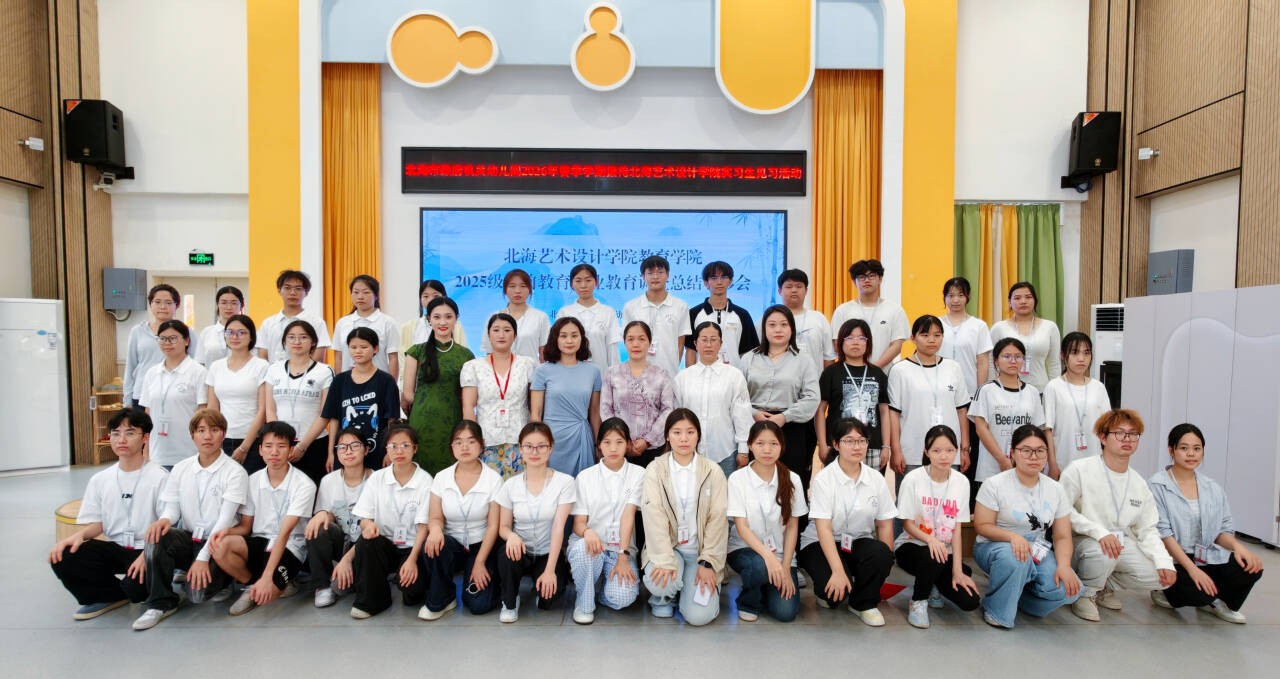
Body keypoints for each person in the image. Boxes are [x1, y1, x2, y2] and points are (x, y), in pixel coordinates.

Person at [131, 409, 249, 630]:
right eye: (201, 430)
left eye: (214, 430)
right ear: (192, 435)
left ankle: (222, 579)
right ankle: (161, 603)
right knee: (157, 533)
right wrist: (164, 520)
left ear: (223, 434)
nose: (207, 436)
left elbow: (225, 521)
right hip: (190, 538)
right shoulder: (180, 468)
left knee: (197, 595)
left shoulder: (235, 472)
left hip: (217, 544)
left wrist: (203, 558)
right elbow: (172, 508)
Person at [49, 410, 167, 620]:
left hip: (148, 549)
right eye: (115, 433)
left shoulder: (159, 477)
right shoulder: (101, 479)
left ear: (145, 438)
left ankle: (134, 588)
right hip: (115, 546)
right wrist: (78, 536)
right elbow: (100, 523)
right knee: (64, 556)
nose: (121, 440)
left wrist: (147, 555)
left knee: (136, 590)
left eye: (130, 433)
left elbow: (167, 527)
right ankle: (109, 596)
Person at [1060, 409, 1175, 622]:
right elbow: (1063, 510)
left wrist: (1164, 561)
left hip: (1118, 543)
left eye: (1133, 434)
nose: (1127, 439)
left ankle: (1103, 585)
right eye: (1119, 433)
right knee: (1104, 553)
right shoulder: (1079, 469)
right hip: (1082, 541)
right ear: (1103, 437)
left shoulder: (1139, 483)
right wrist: (1099, 532)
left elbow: (1148, 529)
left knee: (1159, 576)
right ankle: (1085, 593)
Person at [1148, 423, 1264, 623]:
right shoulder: (1157, 485)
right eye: (1184, 448)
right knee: (1197, 592)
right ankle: (1164, 591)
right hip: (1174, 560)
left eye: (1197, 448)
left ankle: (1216, 601)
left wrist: (1239, 547)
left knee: (1250, 566)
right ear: (1171, 450)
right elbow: (1164, 534)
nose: (1191, 454)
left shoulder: (1212, 487)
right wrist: (1192, 570)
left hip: (1205, 556)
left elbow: (1221, 530)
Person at [972, 424, 1081, 629]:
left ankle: (1015, 596)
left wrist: (1064, 566)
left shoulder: (1056, 489)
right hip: (996, 545)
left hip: (1037, 548)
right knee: (1016, 560)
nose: (1034, 457)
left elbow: (1062, 536)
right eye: (1026, 450)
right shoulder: (994, 484)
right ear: (1012, 453)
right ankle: (996, 610)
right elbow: (982, 526)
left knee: (1067, 589)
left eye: (1040, 451)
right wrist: (1013, 537)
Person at [209, 421, 316, 616]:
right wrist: (226, 532)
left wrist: (268, 577)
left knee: (271, 592)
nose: (274, 452)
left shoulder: (304, 484)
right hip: (260, 540)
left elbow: (284, 534)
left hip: (290, 546)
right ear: (260, 450)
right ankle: (251, 585)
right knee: (220, 545)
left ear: (291, 450)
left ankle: (275, 581)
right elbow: (245, 526)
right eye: (268, 446)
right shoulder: (252, 480)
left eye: (281, 446)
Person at [797, 418, 897, 626]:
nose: (856, 446)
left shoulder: (875, 478)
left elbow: (885, 524)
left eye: (861, 441)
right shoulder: (824, 479)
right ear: (836, 444)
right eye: (849, 441)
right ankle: (836, 584)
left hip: (857, 541)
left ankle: (863, 604)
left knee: (881, 554)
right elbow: (824, 529)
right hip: (820, 542)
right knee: (833, 597)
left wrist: (883, 567)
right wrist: (837, 571)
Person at [640, 409, 728, 625]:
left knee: (699, 617)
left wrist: (708, 562)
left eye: (690, 432)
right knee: (662, 583)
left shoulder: (713, 471)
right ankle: (664, 598)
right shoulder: (655, 469)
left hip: (700, 553)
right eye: (677, 432)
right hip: (670, 549)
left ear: (698, 435)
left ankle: (688, 591)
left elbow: (718, 519)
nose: (684, 438)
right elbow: (653, 517)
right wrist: (664, 560)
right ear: (667, 436)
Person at [893, 425, 980, 628]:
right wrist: (930, 539)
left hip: (944, 552)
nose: (943, 456)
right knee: (932, 555)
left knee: (970, 600)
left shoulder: (961, 482)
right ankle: (919, 601)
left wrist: (957, 571)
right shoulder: (913, 479)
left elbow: (957, 529)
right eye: (937, 450)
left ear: (956, 451)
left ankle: (933, 582)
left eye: (949, 450)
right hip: (912, 546)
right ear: (926, 452)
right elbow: (906, 523)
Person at [419, 420, 504, 619]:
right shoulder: (441, 477)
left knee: (479, 605)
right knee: (432, 544)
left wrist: (480, 562)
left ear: (481, 445)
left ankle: (491, 583)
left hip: (481, 546)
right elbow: (435, 517)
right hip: (453, 545)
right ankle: (442, 599)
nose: (464, 447)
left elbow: (493, 526)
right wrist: (436, 530)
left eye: (471, 441)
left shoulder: (493, 479)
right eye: (458, 442)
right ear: (452, 447)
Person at [347, 424, 433, 619]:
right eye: (393, 446)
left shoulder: (425, 481)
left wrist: (412, 560)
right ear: (386, 449)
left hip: (412, 547)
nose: (399, 451)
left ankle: (407, 580)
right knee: (366, 542)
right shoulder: (377, 478)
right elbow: (364, 517)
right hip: (384, 545)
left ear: (415, 448)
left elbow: (423, 528)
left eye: (405, 445)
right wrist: (368, 525)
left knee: (413, 592)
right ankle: (372, 601)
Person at [495, 422, 577, 623]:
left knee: (550, 599)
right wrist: (511, 536)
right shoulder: (510, 485)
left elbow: (558, 527)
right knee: (506, 553)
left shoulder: (564, 482)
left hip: (548, 553)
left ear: (551, 448)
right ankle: (510, 600)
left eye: (541, 446)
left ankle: (543, 583)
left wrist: (549, 571)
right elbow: (503, 527)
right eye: (529, 446)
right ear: (520, 449)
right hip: (520, 551)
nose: (535, 452)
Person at [727, 421, 807, 622]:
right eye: (760, 443)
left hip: (780, 553)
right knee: (759, 566)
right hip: (744, 549)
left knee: (785, 612)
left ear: (782, 446)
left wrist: (786, 567)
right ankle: (749, 601)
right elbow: (742, 528)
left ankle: (763, 585)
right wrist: (769, 559)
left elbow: (792, 527)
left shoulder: (792, 479)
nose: (767, 450)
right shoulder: (737, 479)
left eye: (773, 444)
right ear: (750, 445)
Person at [566, 418, 644, 624]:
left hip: (621, 550)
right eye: (607, 442)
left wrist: (623, 555)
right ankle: (584, 603)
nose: (613, 448)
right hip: (593, 547)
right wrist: (587, 532)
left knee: (623, 598)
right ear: (599, 445)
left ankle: (600, 590)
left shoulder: (639, 474)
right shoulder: (585, 477)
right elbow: (578, 523)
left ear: (628, 444)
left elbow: (629, 514)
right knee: (583, 549)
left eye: (619, 442)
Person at [742, 305, 819, 490]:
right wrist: (754, 413)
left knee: (792, 484)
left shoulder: (804, 359)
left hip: (791, 427)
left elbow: (812, 397)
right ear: (764, 329)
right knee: (756, 484)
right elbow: (738, 397)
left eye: (784, 324)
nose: (778, 329)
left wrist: (784, 417)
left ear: (792, 329)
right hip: (755, 426)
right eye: (772, 325)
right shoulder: (749, 358)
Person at [888, 315, 971, 481]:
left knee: (949, 496)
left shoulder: (953, 367)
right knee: (910, 496)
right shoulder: (900, 370)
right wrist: (896, 450)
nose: (932, 340)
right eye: (925, 335)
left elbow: (962, 410)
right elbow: (894, 414)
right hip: (912, 452)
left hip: (949, 452)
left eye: (937, 335)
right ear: (913, 338)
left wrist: (964, 449)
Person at [402, 297, 475, 474]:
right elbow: (408, 393)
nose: (443, 322)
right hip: (422, 421)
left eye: (448, 317)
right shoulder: (416, 351)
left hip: (453, 421)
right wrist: (425, 407)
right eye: (437, 317)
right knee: (420, 471)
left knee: (451, 471)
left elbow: (469, 396)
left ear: (456, 319)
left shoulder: (466, 355)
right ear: (429, 319)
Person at [461, 313, 537, 478]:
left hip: (520, 441)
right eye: (496, 330)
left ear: (515, 335)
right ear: (488, 335)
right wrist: (472, 440)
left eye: (507, 330)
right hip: (486, 441)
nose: (501, 335)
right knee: (490, 489)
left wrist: (534, 439)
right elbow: (468, 406)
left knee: (519, 489)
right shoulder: (473, 367)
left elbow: (535, 405)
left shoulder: (527, 364)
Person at [673, 322, 753, 478]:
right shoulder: (682, 378)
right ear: (695, 343)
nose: (708, 344)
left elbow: (742, 414)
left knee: (725, 493)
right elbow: (676, 417)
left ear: (721, 343)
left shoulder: (734, 376)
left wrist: (743, 450)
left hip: (725, 453)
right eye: (704, 340)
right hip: (688, 453)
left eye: (713, 340)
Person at [304, 427, 371, 609]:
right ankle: (322, 585)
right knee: (317, 527)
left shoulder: (376, 479)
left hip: (365, 545)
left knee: (343, 587)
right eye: (342, 447)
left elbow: (377, 526)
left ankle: (347, 574)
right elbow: (325, 514)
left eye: (354, 446)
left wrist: (348, 559)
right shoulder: (329, 481)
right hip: (341, 541)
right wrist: (323, 514)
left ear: (366, 450)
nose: (348, 451)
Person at [264, 319, 335, 485]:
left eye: (303, 337)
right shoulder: (274, 369)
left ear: (313, 342)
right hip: (281, 446)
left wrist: (302, 446)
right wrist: (280, 443)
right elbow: (270, 410)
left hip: (313, 444)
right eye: (291, 337)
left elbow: (324, 414)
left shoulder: (324, 371)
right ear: (284, 341)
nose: (297, 341)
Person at [321, 327, 401, 470]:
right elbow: (334, 419)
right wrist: (331, 452)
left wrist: (390, 451)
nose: (358, 351)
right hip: (346, 452)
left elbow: (392, 421)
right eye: (353, 347)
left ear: (375, 348)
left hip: (377, 451)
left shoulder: (386, 381)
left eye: (364, 347)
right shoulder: (339, 381)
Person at [531, 317, 602, 476]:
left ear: (582, 339)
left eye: (574, 335)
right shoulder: (542, 371)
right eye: (563, 336)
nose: (569, 341)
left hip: (581, 438)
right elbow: (536, 413)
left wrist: (598, 444)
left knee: (584, 486)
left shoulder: (594, 371)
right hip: (551, 439)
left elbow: (594, 413)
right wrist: (538, 444)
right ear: (555, 339)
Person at [817, 319, 889, 476]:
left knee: (871, 488)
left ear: (868, 343)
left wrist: (886, 446)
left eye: (861, 338)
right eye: (849, 338)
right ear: (841, 342)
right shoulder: (831, 372)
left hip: (872, 445)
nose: (855, 342)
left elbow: (884, 412)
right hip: (838, 444)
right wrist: (822, 444)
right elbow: (820, 410)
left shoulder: (877, 373)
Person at [599, 320, 675, 468]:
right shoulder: (612, 373)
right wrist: (622, 439)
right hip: (618, 448)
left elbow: (667, 409)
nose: (636, 344)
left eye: (641, 339)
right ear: (624, 343)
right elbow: (605, 408)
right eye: (630, 339)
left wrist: (647, 441)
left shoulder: (662, 374)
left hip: (653, 449)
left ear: (650, 343)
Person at [970, 337, 1044, 490]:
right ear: (996, 361)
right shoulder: (986, 390)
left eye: (1018, 356)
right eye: (1007, 356)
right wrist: (1002, 460)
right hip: (991, 467)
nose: (1013, 361)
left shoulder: (1032, 392)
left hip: (1024, 467)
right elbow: (981, 428)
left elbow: (1037, 431)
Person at [138, 320, 208, 469]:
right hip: (158, 452)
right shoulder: (152, 373)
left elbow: (203, 412)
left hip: (189, 451)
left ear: (187, 341)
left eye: (173, 338)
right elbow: (148, 414)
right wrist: (146, 449)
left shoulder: (198, 372)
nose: (167, 343)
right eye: (162, 339)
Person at [205, 314, 270, 473]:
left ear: (251, 336)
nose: (235, 337)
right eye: (230, 332)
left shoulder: (261, 366)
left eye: (241, 332)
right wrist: (214, 438)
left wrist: (244, 447)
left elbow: (262, 410)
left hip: (252, 440)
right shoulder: (216, 367)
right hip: (222, 439)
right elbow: (212, 409)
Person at [1042, 332, 1111, 478]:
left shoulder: (1098, 387)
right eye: (1074, 352)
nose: (1081, 358)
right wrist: (1052, 464)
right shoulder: (1053, 387)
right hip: (1063, 462)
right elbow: (1047, 430)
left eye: (1086, 353)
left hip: (1094, 462)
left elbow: (1107, 429)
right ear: (1062, 355)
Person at [830, 259, 910, 369]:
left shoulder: (895, 310)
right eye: (862, 277)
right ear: (854, 281)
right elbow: (837, 343)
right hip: (850, 372)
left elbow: (897, 344)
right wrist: (857, 367)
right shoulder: (843, 310)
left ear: (880, 279)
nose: (867, 280)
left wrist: (874, 369)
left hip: (883, 373)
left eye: (872, 276)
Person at [622, 255, 691, 378]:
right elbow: (628, 341)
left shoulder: (680, 306)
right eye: (650, 273)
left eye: (660, 272)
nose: (655, 277)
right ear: (643, 276)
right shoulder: (631, 307)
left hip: (669, 374)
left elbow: (680, 344)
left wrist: (673, 367)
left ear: (667, 275)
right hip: (639, 374)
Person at [123, 283, 192, 406]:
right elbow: (130, 367)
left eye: (168, 303)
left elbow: (194, 363)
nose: (163, 307)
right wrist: (127, 400)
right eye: (157, 302)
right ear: (151, 304)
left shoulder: (186, 332)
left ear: (177, 306)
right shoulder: (138, 331)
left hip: (176, 394)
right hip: (141, 394)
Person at [684, 260, 758, 370]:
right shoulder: (694, 313)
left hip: (734, 375)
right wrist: (690, 375)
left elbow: (748, 352)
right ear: (706, 283)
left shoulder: (742, 314)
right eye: (714, 278)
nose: (719, 282)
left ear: (730, 281)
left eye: (723, 277)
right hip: (702, 376)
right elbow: (691, 350)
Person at [988, 281, 1061, 392]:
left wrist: (1055, 391)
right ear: (1009, 302)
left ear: (1035, 301)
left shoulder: (1050, 327)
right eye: (1017, 298)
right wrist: (993, 388)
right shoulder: (999, 328)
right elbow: (990, 362)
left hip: (1040, 390)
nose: (1023, 301)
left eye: (1028, 297)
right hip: (1006, 390)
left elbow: (1054, 363)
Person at [557, 263, 621, 374]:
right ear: (571, 284)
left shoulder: (608, 312)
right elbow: (558, 347)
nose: (583, 285)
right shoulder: (564, 313)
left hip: (601, 373)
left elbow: (612, 349)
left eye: (588, 280)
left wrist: (615, 376)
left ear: (596, 282)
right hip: (571, 373)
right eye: (578, 281)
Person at [333, 274, 400, 380]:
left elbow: (393, 358)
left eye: (366, 292)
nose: (360, 296)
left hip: (378, 381)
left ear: (376, 295)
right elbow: (338, 357)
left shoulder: (387, 323)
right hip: (348, 381)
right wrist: (338, 383)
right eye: (356, 292)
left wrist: (391, 385)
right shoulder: (342, 323)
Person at [937, 277, 992, 402]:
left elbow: (983, 362)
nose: (955, 300)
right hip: (939, 389)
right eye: (951, 295)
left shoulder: (979, 326)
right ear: (944, 297)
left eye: (960, 295)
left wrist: (979, 393)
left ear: (968, 296)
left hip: (969, 391)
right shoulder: (935, 324)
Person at [258, 269, 331, 363]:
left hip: (306, 372)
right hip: (273, 372)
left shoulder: (316, 322)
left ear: (306, 292)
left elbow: (318, 357)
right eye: (287, 288)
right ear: (279, 290)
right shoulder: (268, 323)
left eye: (298, 288)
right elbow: (262, 357)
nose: (292, 292)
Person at [481, 269, 550, 362]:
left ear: (530, 290)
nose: (517, 291)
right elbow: (489, 352)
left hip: (531, 370)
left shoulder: (540, 317)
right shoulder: (494, 317)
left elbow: (544, 353)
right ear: (505, 290)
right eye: (512, 286)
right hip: (501, 369)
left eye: (523, 286)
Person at [777, 269, 836, 372]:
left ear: (806, 291)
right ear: (780, 291)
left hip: (814, 380)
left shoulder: (819, 318)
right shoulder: (769, 319)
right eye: (789, 286)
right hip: (778, 380)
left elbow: (828, 356)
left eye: (799, 286)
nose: (794, 290)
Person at [403, 279, 470, 351]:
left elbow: (464, 352)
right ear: (420, 299)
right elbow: (403, 355)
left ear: (444, 297)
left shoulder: (456, 325)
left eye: (435, 296)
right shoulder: (409, 327)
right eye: (426, 296)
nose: (430, 300)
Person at [196, 285, 249, 365]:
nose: (229, 307)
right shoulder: (207, 332)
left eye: (234, 303)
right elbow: (200, 363)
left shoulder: (248, 332)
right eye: (224, 303)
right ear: (217, 304)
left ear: (242, 305)